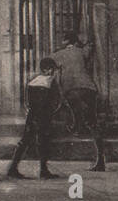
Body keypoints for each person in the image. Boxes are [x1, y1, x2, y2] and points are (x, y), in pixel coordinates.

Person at [51, 30, 106, 171]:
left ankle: (76, 124)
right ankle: (100, 160)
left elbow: (48, 65)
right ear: (75, 42)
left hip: (72, 89)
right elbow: (89, 49)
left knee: (68, 105)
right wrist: (85, 44)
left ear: (65, 41)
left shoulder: (58, 54)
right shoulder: (81, 51)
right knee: (93, 123)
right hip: (89, 88)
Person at [6, 57, 61, 180]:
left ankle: (12, 168)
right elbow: (56, 101)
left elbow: (27, 101)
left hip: (32, 115)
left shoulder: (33, 81)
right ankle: (43, 170)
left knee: (25, 141)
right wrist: (52, 112)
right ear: (47, 69)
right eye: (51, 69)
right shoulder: (51, 82)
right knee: (43, 142)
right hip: (44, 116)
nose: (53, 72)